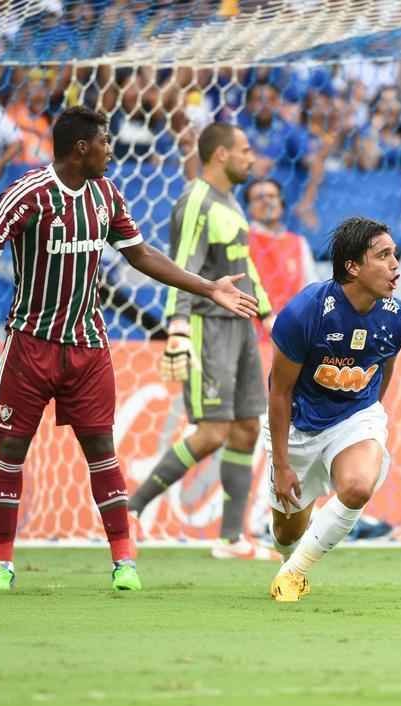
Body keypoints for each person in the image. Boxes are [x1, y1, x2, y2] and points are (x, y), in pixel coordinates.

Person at [0, 107, 258, 592]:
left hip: (88, 346)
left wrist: (207, 287)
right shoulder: (28, 195)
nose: (112, 150)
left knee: (101, 450)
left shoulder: (106, 195)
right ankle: (2, 564)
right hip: (31, 344)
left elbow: (143, 255)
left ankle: (124, 563)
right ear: (81, 148)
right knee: (11, 450)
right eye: (106, 143)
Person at [126, 122, 278, 561]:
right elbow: (183, 264)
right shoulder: (196, 199)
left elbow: (243, 264)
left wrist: (266, 314)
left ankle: (231, 539)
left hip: (241, 326)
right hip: (205, 326)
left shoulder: (230, 201)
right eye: (246, 150)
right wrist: (176, 326)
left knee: (249, 426)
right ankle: (130, 510)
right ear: (221, 155)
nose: (253, 157)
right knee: (212, 432)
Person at [267, 217, 401, 602]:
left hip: (353, 417)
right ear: (353, 267)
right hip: (299, 425)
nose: (395, 264)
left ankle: (294, 573)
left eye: (394, 254)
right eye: (383, 255)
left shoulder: (396, 318)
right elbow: (278, 392)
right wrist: (281, 465)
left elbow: (383, 372)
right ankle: (288, 555)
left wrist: (367, 424)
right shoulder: (304, 314)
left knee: (358, 486)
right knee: (286, 533)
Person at [245, 176, 318, 341]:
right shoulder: (242, 239)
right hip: (254, 337)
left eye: (272, 196)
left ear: (282, 203)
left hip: (293, 336)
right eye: (258, 198)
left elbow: (312, 290)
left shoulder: (298, 243)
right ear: (249, 208)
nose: (266, 202)